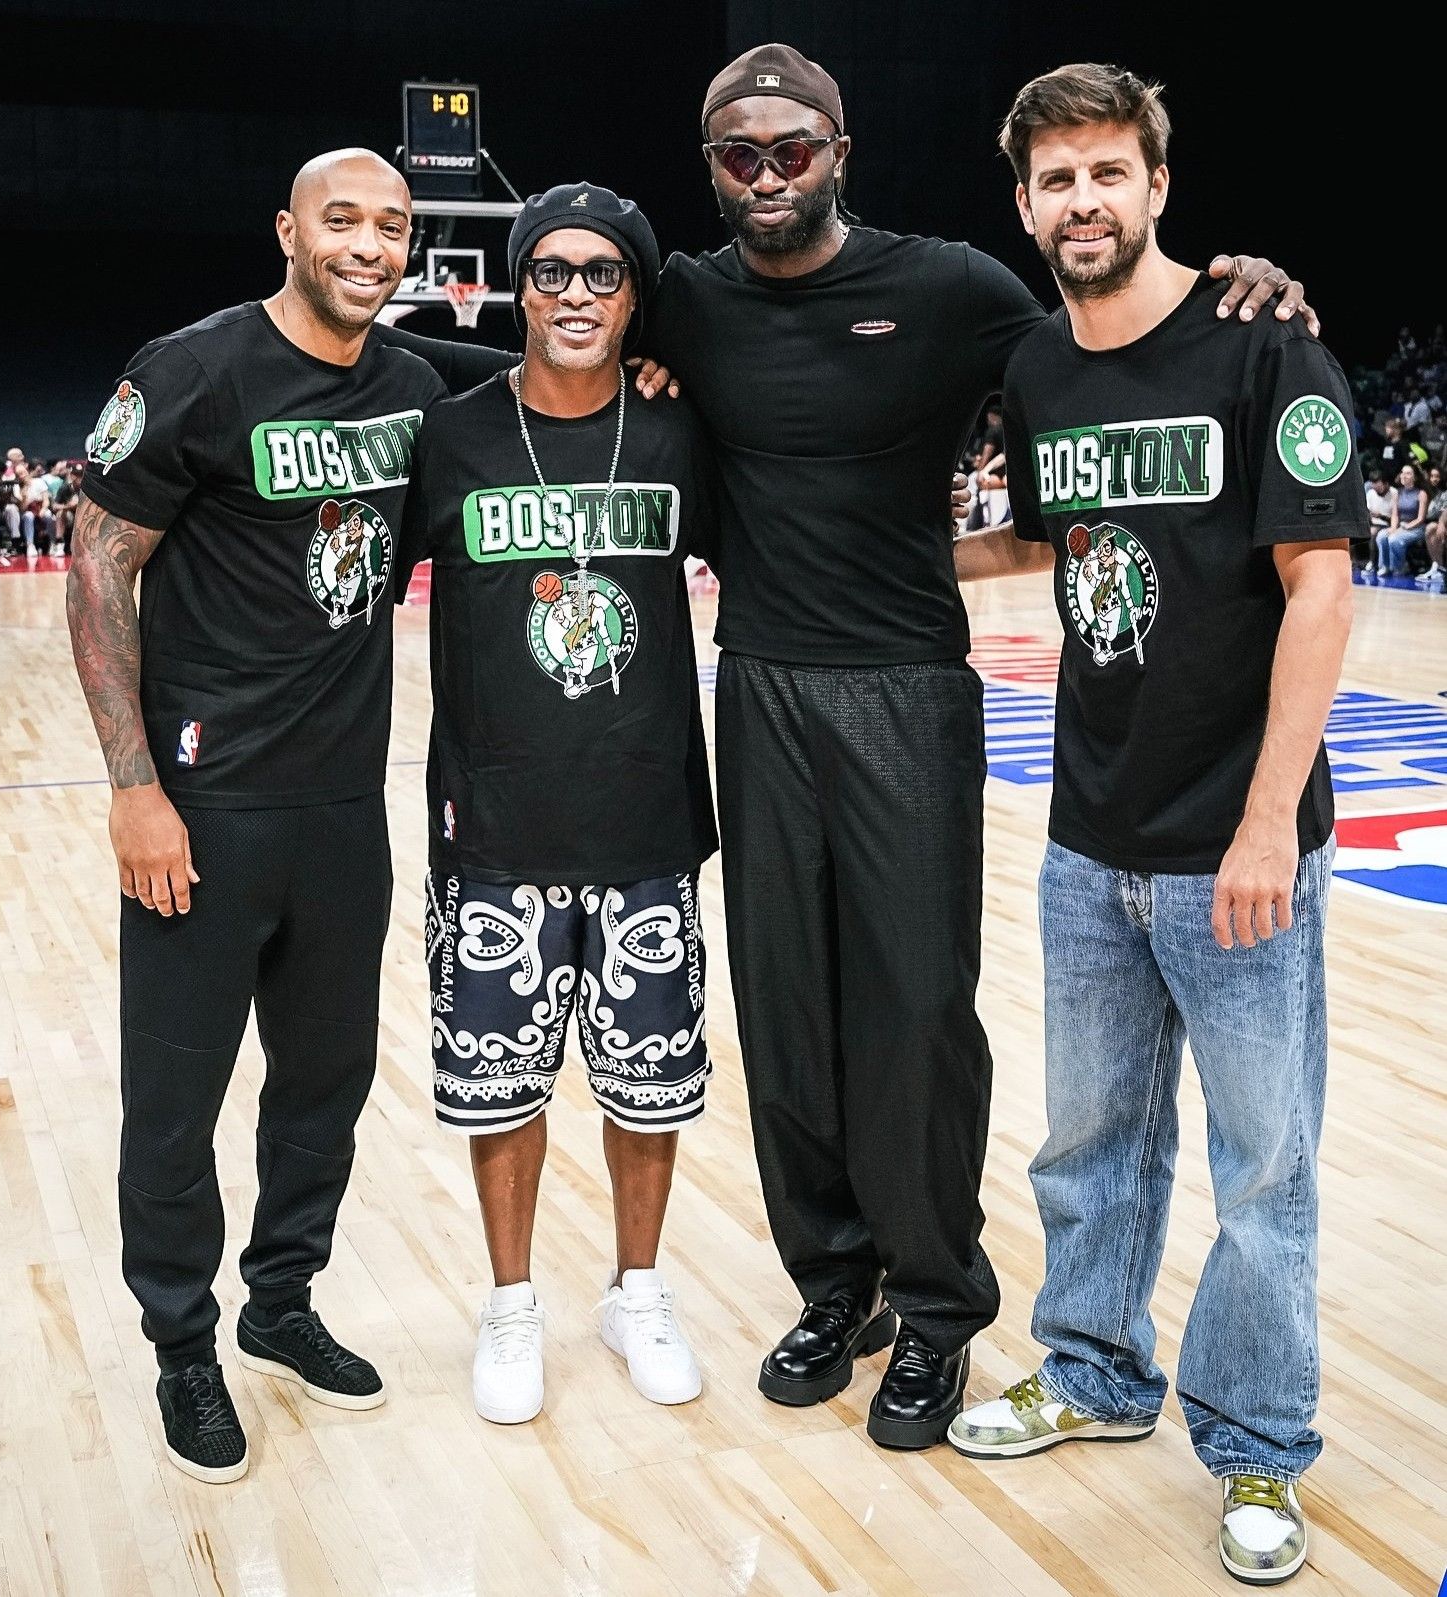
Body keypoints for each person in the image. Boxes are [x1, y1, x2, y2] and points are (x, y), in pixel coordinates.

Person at [374, 43, 1311, 1451]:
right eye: (735, 155)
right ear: (709, 169)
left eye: (788, 148)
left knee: (916, 1014)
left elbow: (1107, 338)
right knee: (788, 1015)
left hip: (904, 695)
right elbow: (540, 347)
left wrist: (1252, 290)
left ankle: (937, 1310)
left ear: (836, 148)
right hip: (752, 684)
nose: (763, 173)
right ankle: (837, 1285)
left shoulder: (948, 289)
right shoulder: (679, 298)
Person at [944, 64, 1362, 1588]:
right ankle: (1093, 1370)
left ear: (1155, 184)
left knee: (1264, 1170)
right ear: (1023, 206)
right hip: (1086, 836)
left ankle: (1255, 1452)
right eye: (1053, 181)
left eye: (1105, 172)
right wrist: (888, 560)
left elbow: (1316, 594)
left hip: (1236, 846)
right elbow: (1059, 538)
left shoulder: (1267, 349)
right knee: (1088, 1142)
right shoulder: (1042, 373)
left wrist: (1266, 825)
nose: (1081, 202)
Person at [66, 148, 455, 1485]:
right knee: (172, 1106)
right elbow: (99, 563)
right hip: (202, 809)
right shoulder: (192, 366)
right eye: (341, 219)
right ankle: (182, 1343)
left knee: (323, 1090)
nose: (368, 243)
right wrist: (132, 787)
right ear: (286, 227)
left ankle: (280, 1304)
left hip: (345, 807)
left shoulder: (413, 389)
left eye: (392, 225)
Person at [396, 183, 720, 1426]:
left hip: (645, 815)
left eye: (601, 274)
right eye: (551, 271)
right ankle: (511, 1300)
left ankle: (637, 1289)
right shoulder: (453, 433)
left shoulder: (682, 432)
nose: (574, 293)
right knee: (502, 1083)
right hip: (492, 823)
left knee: (651, 1081)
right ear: (515, 287)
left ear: (636, 298)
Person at [1376, 461, 1428, 576]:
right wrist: (1393, 528)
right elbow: (1395, 515)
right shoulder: (1397, 493)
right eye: (1402, 473)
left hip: (1417, 528)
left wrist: (1407, 526)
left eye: (1408, 473)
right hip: (1401, 526)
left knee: (1394, 539)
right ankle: (1385, 566)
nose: (1404, 476)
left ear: (1415, 477)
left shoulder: (1421, 493)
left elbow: (1421, 518)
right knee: (1382, 536)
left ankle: (1399, 568)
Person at [1417, 464, 1446, 585]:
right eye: (1432, 476)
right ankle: (1438, 568)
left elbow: (1445, 510)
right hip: (1432, 523)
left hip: (1443, 523)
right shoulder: (1430, 491)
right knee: (1430, 528)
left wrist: (1442, 524)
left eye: (1437, 476)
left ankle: (1439, 568)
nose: (1434, 479)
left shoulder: (1444, 492)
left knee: (1432, 528)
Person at [1363, 468, 1395, 572]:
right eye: (1373, 484)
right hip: (1373, 523)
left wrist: (1381, 516)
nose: (1376, 488)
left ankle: (1375, 563)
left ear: (1386, 483)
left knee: (1374, 533)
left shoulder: (1394, 493)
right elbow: (1367, 510)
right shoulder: (1371, 493)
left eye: (1379, 485)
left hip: (1389, 523)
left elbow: (1395, 516)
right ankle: (1366, 562)